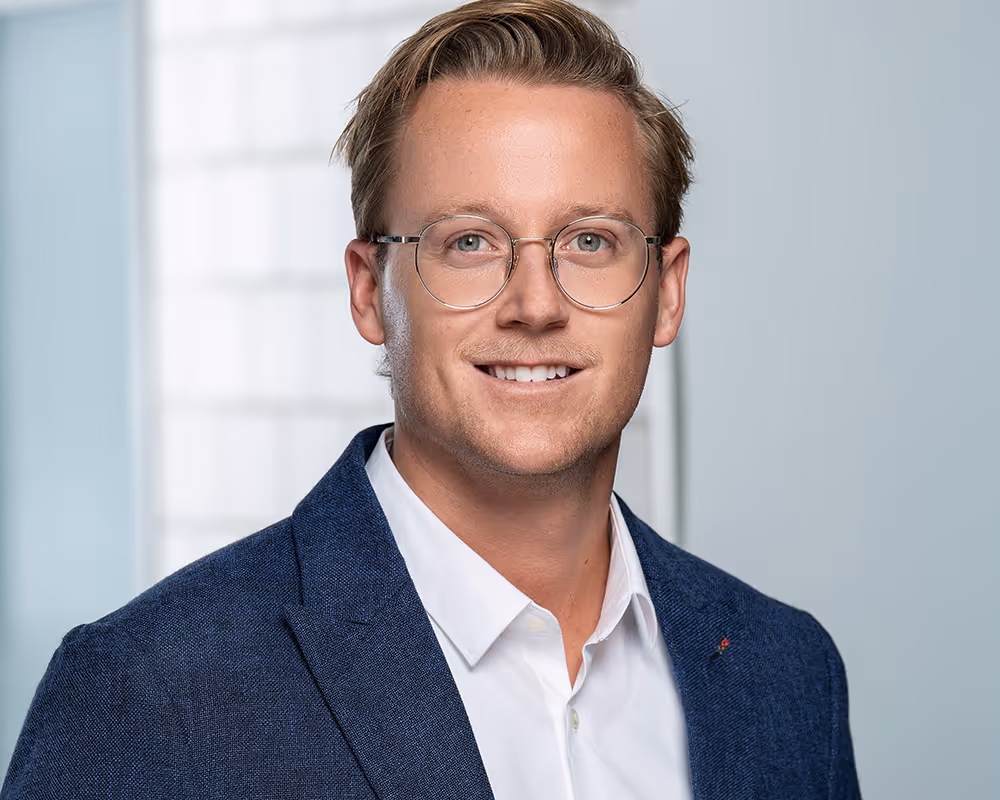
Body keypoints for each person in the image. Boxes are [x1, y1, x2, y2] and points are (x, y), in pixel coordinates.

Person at [1, 1, 861, 798]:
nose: (536, 303)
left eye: (591, 240)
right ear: (371, 292)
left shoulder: (786, 674)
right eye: (471, 243)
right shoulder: (146, 695)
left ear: (666, 292)